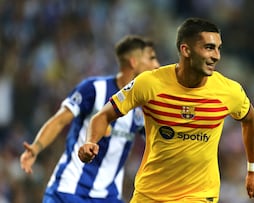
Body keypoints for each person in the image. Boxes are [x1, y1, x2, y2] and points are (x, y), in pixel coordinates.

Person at [78, 17, 254, 203]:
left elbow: (250, 120)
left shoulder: (228, 91)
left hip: (198, 195)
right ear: (186, 50)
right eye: (209, 48)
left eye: (218, 48)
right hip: (149, 193)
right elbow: (103, 115)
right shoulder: (150, 83)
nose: (216, 55)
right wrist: (90, 141)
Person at [19, 35, 160, 203]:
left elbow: (159, 143)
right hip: (69, 191)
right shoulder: (95, 89)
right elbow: (60, 120)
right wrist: (35, 148)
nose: (156, 65)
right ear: (133, 62)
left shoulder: (146, 105)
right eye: (151, 58)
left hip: (108, 197)